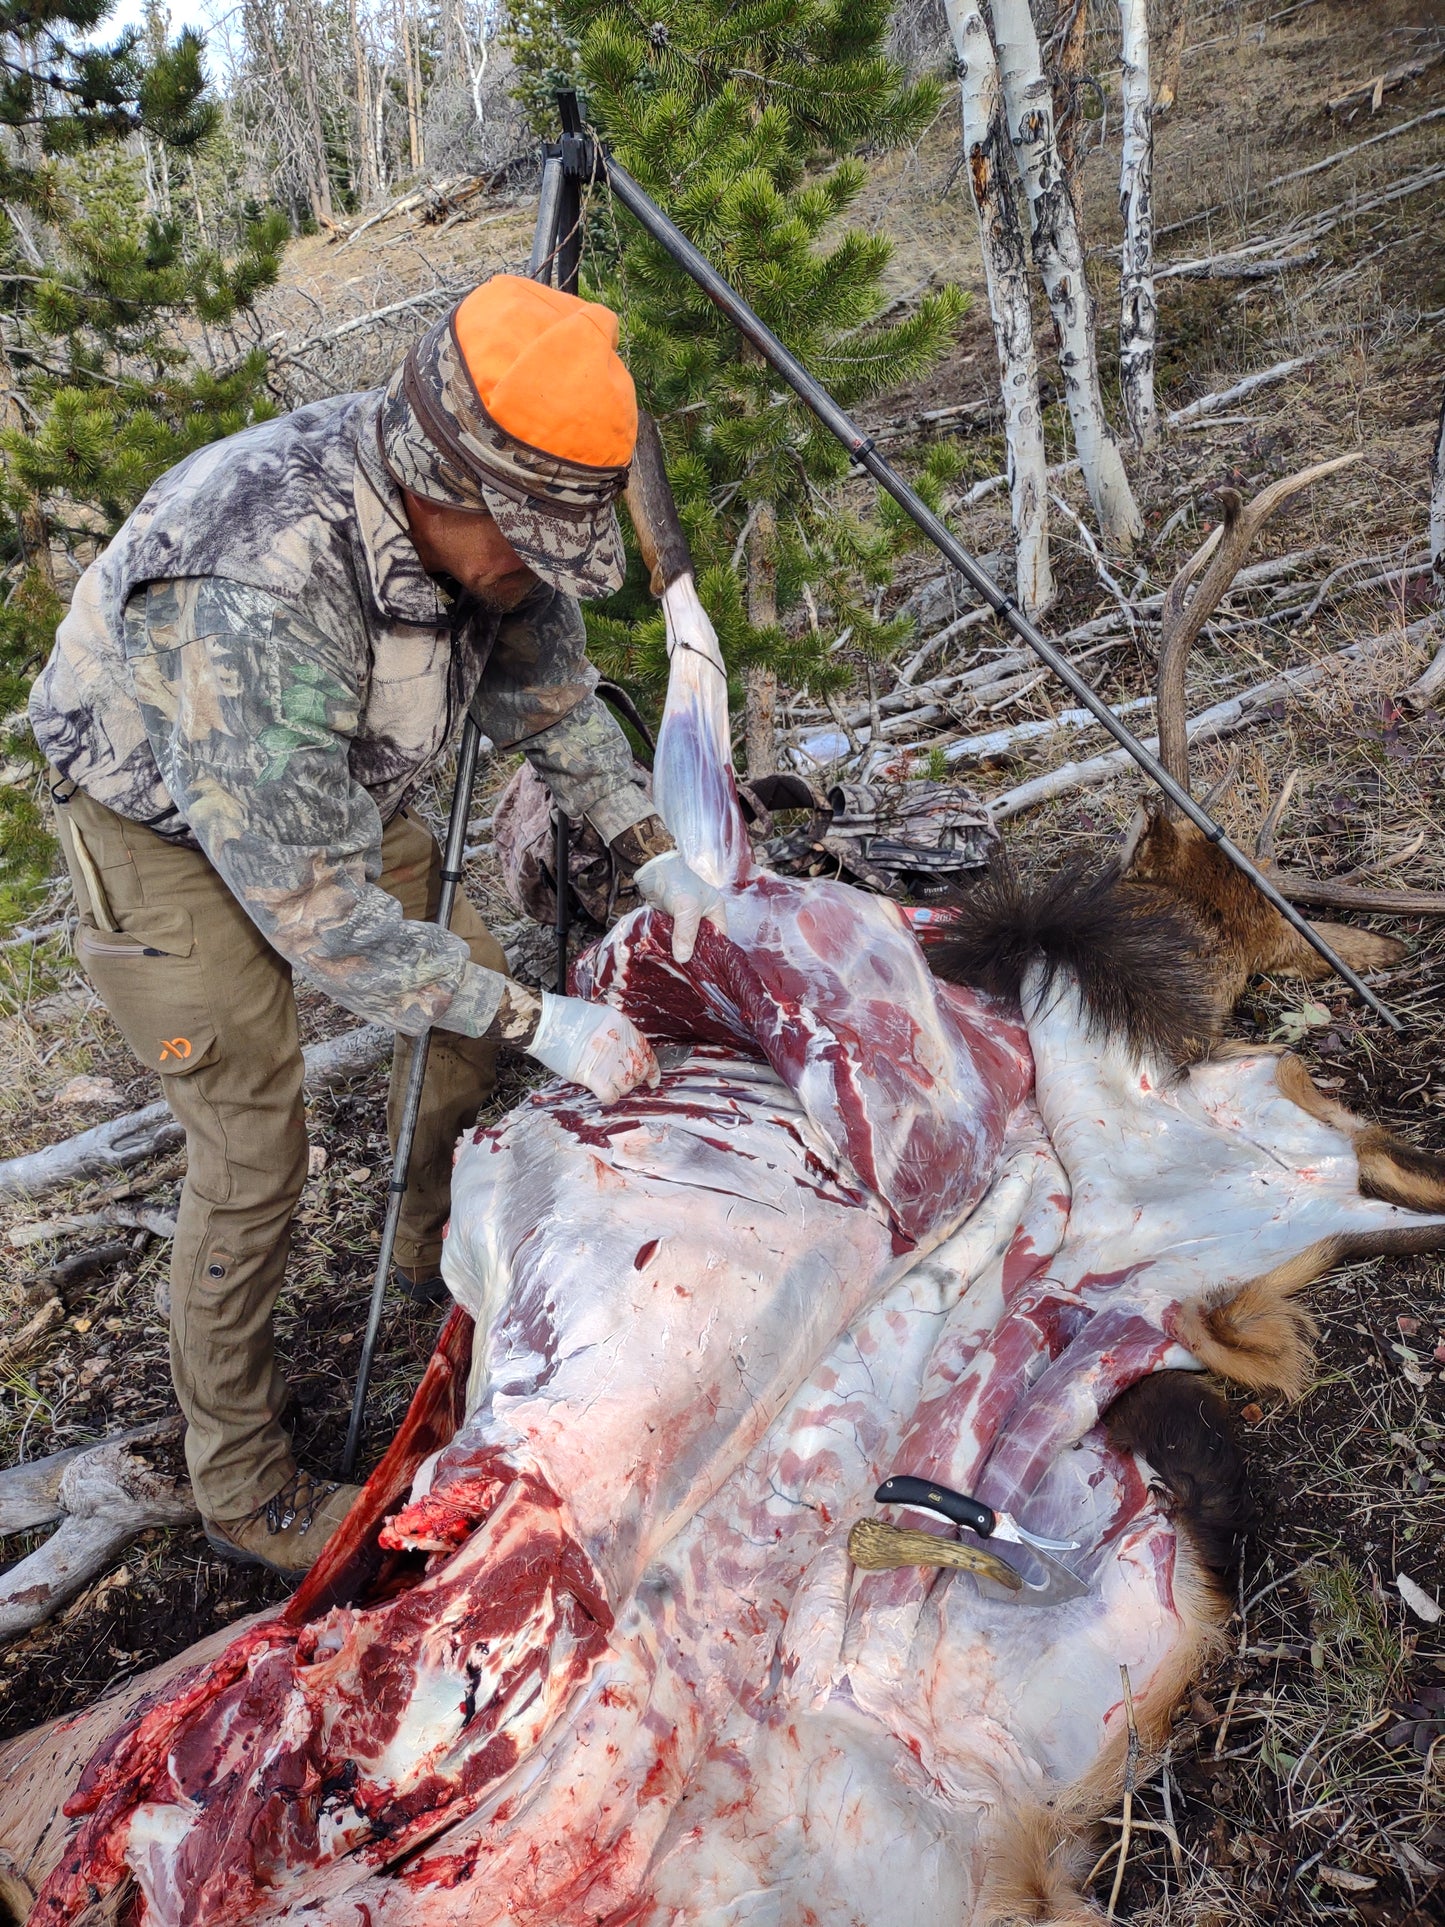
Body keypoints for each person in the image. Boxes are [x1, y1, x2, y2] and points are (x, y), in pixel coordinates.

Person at [28, 274, 724, 1575]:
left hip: (333, 781)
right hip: (167, 830)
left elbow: (549, 696)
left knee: (460, 1019)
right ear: (443, 486)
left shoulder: (491, 527)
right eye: (519, 541)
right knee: (253, 1154)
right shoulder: (258, 571)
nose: (531, 570)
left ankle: (426, 1269)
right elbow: (310, 909)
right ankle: (243, 1487)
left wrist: (649, 850)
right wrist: (540, 1019)